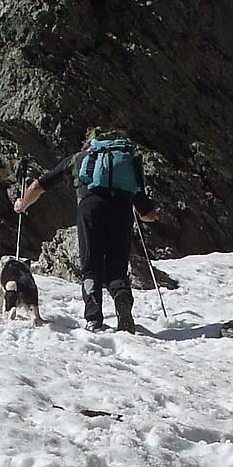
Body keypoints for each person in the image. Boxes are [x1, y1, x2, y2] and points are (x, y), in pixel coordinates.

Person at [13, 129, 161, 332]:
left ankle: (93, 318)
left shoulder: (80, 158)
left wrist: (22, 204)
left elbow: (39, 185)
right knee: (117, 268)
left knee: (91, 266)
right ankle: (122, 297)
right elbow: (148, 214)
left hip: (90, 207)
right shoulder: (130, 162)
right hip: (121, 210)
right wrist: (143, 211)